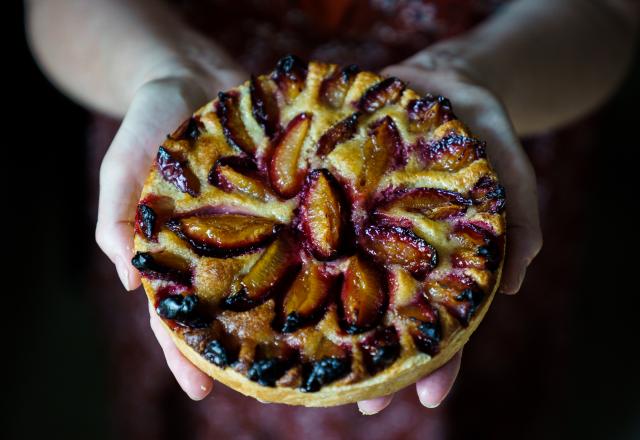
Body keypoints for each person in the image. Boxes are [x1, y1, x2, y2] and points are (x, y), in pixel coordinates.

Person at [26, 0, 637, 420]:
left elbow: (609, 13)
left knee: (488, 394)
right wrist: (161, 68)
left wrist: (475, 72)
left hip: (513, 93)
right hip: (162, 109)